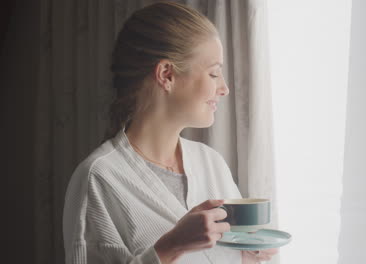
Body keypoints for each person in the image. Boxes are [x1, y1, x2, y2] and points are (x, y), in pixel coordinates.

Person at [62, 2, 278, 263]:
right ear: (167, 74)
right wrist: (169, 247)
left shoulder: (211, 164)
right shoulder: (98, 179)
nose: (224, 89)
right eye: (213, 74)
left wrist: (250, 254)